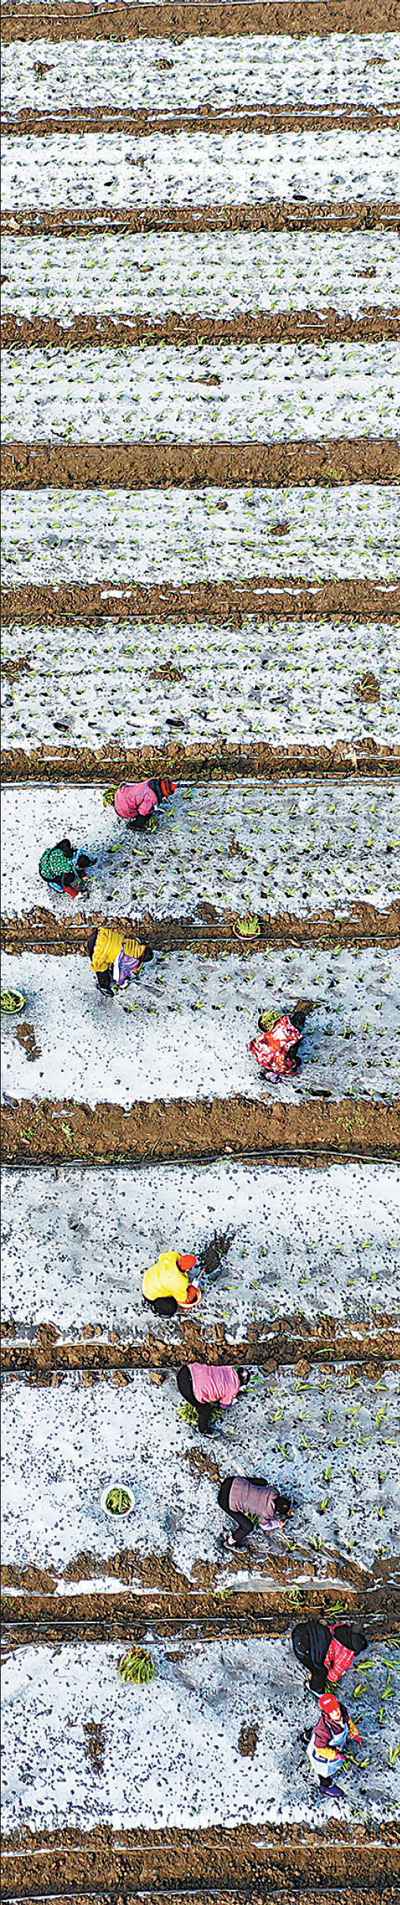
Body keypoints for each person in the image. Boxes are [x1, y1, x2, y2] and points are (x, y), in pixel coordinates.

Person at [305, 1691, 361, 1800]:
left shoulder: (342, 1711)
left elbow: (348, 1721)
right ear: (326, 1713)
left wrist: (354, 1732)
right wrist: (335, 1754)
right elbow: (320, 1748)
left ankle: (306, 1736)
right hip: (322, 1752)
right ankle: (325, 1786)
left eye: (336, 1708)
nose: (336, 1712)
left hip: (332, 1743)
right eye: (331, 1711)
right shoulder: (324, 1729)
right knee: (323, 1771)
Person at [292, 1618, 368, 1693]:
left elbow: (331, 1627)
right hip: (304, 1644)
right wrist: (329, 1681)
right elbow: (334, 1675)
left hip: (305, 1631)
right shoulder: (347, 1656)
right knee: (320, 1669)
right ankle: (317, 1689)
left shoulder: (339, 1629)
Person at [217, 1474, 292, 1548]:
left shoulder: (273, 1491)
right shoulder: (266, 1513)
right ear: (277, 1511)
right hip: (225, 1501)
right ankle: (229, 1542)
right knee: (248, 1527)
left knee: (263, 1482)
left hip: (231, 1481)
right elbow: (265, 1526)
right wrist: (278, 1524)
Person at [177, 1364, 248, 1433]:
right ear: (242, 1383)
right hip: (188, 1391)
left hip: (185, 1371)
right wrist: (234, 1398)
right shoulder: (234, 1389)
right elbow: (224, 1405)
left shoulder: (227, 1368)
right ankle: (203, 1429)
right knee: (205, 1409)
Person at [249, 999, 311, 1079]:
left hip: (285, 1037)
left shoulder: (281, 1067)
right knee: (297, 1015)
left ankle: (307, 1003)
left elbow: (294, 1062)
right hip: (279, 1032)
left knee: (301, 1013)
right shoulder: (260, 1057)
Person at [88, 926, 153, 998]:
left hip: (102, 935)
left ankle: (109, 967)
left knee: (113, 956)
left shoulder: (135, 944)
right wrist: (122, 983)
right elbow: (119, 973)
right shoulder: (130, 960)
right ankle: (104, 987)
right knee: (101, 970)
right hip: (98, 949)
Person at [143, 1250, 200, 1317]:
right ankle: (159, 1310)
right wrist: (194, 1287)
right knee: (171, 1307)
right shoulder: (179, 1281)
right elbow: (183, 1299)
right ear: (188, 1269)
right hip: (150, 1296)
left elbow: (163, 1256)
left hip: (148, 1281)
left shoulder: (172, 1256)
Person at [103, 779, 177, 830]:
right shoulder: (152, 797)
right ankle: (135, 825)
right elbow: (143, 811)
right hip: (123, 809)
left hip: (120, 795)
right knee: (146, 814)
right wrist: (150, 811)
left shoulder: (149, 783)